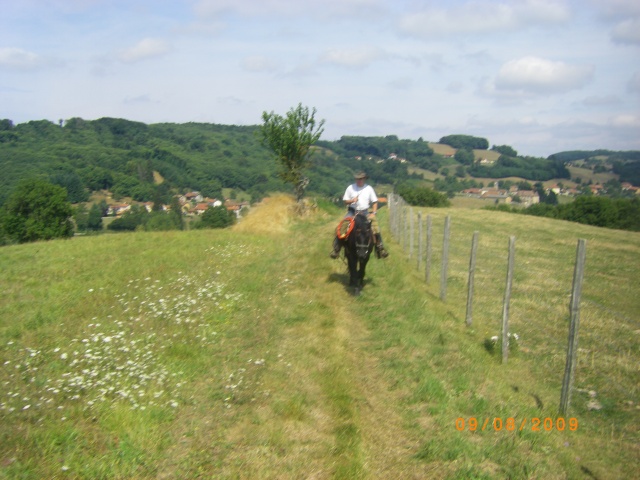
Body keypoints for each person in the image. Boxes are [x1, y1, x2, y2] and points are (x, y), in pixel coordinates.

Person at [330, 171, 389, 259]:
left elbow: (375, 202)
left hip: (365, 212)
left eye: (361, 179)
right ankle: (337, 248)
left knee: (375, 226)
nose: (359, 180)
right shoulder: (350, 188)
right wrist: (352, 201)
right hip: (352, 212)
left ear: (364, 179)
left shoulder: (369, 189)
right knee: (343, 225)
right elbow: (345, 201)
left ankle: (380, 247)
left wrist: (373, 213)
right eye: (358, 179)